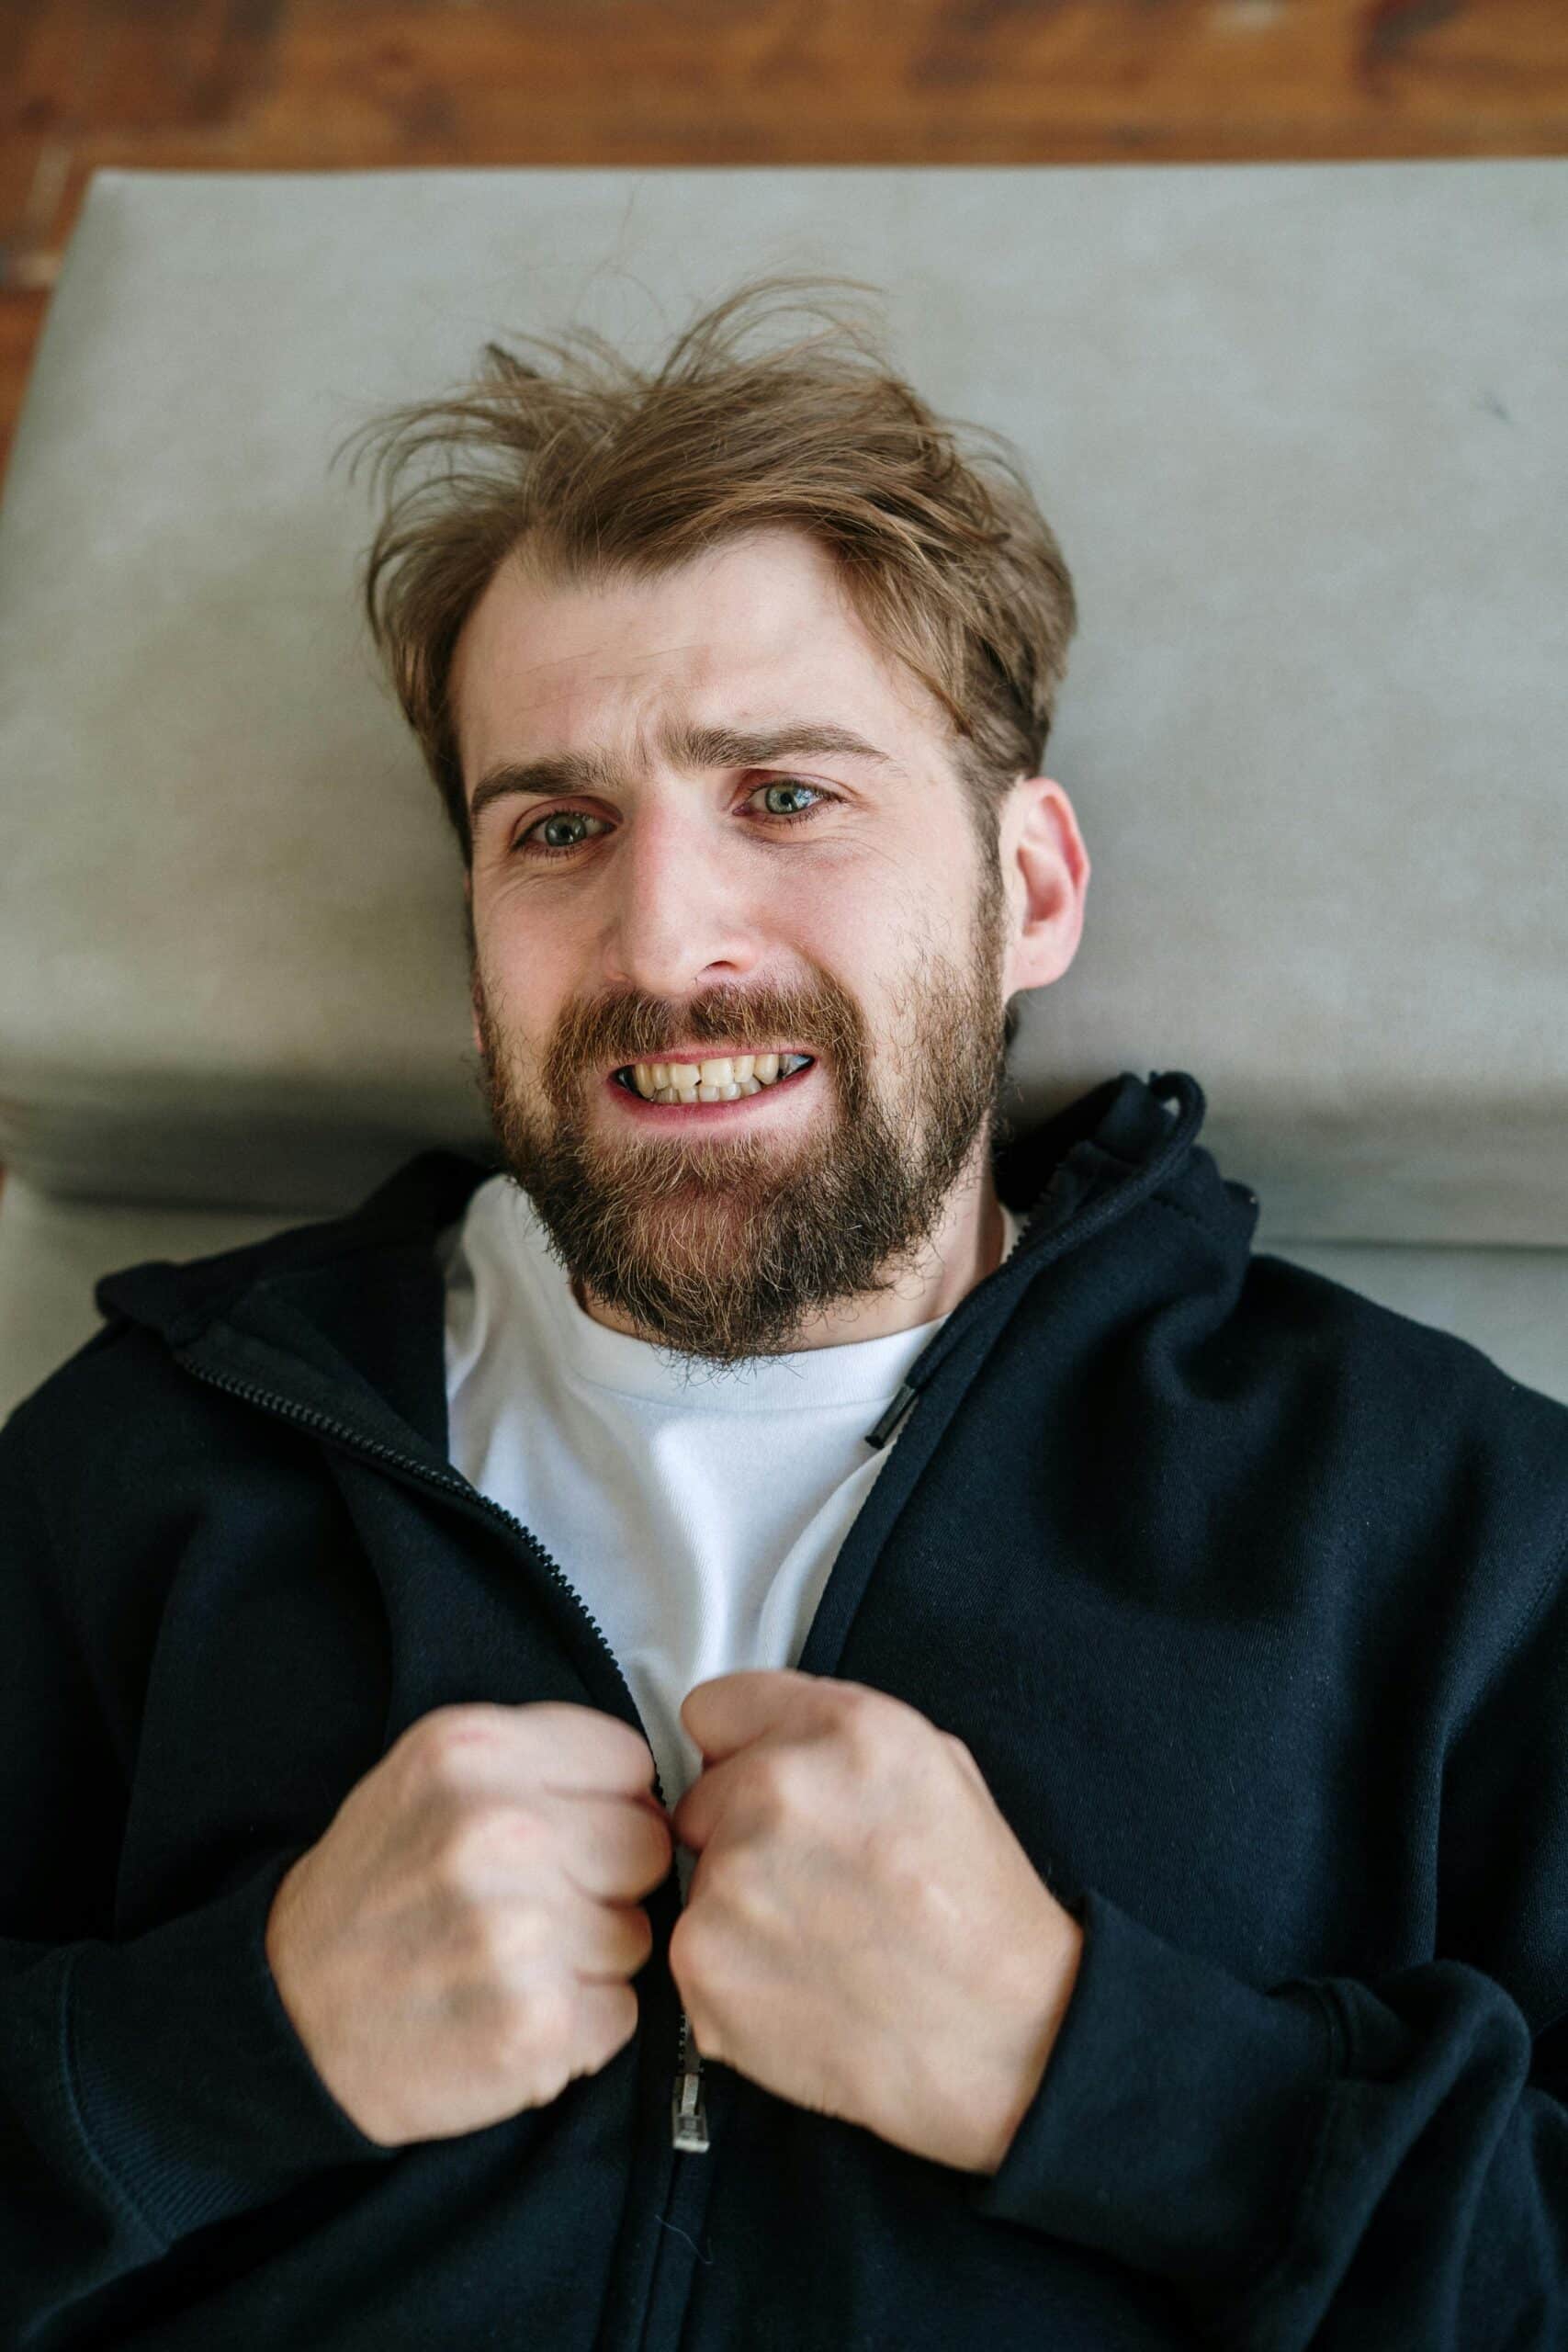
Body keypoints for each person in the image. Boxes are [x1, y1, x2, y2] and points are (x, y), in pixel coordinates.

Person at [4, 275, 1567, 2352]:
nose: (664, 942)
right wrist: (219, 2055)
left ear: (1028, 889)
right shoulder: (144, 1459)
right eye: (557, 827)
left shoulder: (1449, 1521)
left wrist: (1081, 2067)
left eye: (785, 796)